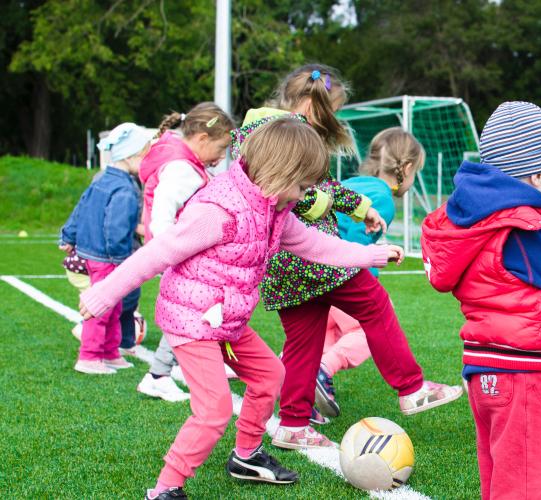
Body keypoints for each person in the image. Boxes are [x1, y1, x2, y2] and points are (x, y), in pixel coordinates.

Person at [78, 118, 404, 500]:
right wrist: (103, 295)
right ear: (279, 173)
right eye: (301, 187)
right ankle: (166, 487)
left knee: (270, 377)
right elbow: (158, 253)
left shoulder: (274, 210)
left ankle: (246, 456)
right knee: (214, 411)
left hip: (226, 319)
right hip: (192, 321)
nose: (302, 197)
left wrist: (372, 254)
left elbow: (317, 246)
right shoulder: (219, 210)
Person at [233, 64, 463, 451]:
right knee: (374, 304)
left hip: (283, 265)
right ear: (310, 104)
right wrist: (327, 206)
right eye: (331, 111)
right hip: (311, 256)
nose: (332, 120)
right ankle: (411, 388)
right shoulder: (281, 133)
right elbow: (290, 191)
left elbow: (321, 185)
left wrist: (361, 209)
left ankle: (292, 423)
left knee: (304, 342)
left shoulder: (265, 128)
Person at [420, 101, 541, 500]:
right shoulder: (519, 225)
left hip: (484, 370)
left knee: (502, 479)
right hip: (520, 374)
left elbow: (501, 287)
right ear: (534, 175)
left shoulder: (478, 218)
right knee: (528, 486)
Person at [313, 127, 425, 420]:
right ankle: (322, 371)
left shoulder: (353, 183)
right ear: (408, 168)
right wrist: (369, 267)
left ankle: (292, 376)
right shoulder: (384, 200)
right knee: (366, 330)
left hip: (312, 269)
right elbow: (354, 240)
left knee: (325, 332)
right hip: (339, 273)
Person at [136, 102, 236, 403]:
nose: (221, 159)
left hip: (180, 253)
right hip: (179, 255)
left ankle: (173, 368)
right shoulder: (182, 170)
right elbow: (162, 217)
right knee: (190, 313)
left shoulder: (184, 161)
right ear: (202, 139)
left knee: (198, 310)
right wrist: (174, 253)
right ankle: (158, 375)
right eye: (220, 148)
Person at [60, 122, 155, 375]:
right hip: (109, 257)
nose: (146, 162)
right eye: (145, 156)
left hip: (96, 253)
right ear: (132, 156)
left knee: (114, 305)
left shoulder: (102, 179)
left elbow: (80, 207)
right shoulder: (125, 188)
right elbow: (116, 227)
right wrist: (122, 260)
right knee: (103, 307)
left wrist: (68, 234)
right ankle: (89, 356)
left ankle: (110, 353)